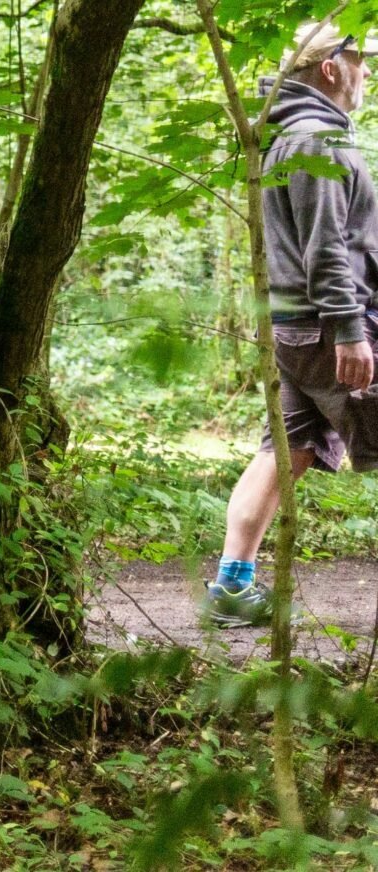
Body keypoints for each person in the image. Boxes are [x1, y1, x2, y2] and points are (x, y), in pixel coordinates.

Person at [210, 21, 377, 628]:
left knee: (287, 451)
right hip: (329, 333)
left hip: (296, 331)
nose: (367, 72)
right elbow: (327, 248)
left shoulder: (291, 136)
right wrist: (351, 329)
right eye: (361, 60)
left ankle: (232, 587)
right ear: (330, 67)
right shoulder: (314, 141)